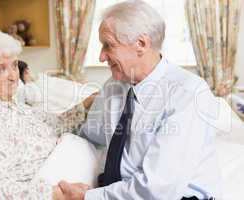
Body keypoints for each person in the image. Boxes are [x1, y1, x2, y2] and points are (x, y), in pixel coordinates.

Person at [58, 1, 222, 200]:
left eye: (108, 45)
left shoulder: (189, 94)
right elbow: (90, 134)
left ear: (141, 44)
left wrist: (89, 197)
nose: (101, 57)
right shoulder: (114, 86)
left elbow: (158, 190)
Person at [0, 30, 89, 200]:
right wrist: (58, 194)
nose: (14, 76)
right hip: (56, 189)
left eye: (14, 65)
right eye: (1, 69)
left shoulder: (16, 105)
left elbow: (56, 124)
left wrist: (86, 104)